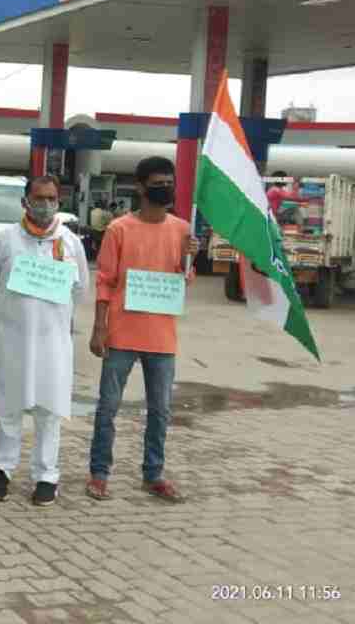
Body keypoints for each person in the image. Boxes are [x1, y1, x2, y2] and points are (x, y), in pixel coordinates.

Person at [87, 156, 199, 503]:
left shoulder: (182, 230)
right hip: (122, 332)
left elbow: (183, 280)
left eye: (169, 183)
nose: (164, 188)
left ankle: (153, 475)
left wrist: (190, 258)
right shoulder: (119, 229)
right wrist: (99, 326)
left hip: (162, 337)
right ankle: (99, 474)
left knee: (161, 411)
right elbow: (105, 281)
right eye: (157, 183)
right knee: (108, 407)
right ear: (140, 187)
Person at [0, 175, 90, 506]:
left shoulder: (70, 243)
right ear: (25, 202)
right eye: (39, 198)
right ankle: (2, 469)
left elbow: (80, 288)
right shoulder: (4, 241)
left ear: (59, 202)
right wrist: (13, 313)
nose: (45, 205)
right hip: (13, 339)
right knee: (8, 407)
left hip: (53, 343)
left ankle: (46, 475)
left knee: (49, 410)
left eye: (51, 198)